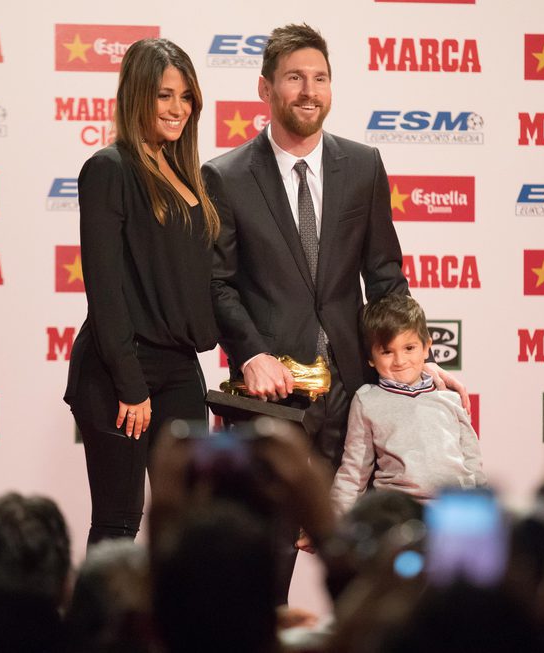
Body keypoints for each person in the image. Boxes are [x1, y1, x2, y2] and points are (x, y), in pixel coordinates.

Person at [202, 23, 467, 474]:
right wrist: (250, 355)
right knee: (275, 540)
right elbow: (217, 283)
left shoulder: (363, 166)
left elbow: (384, 276)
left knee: (352, 539)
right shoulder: (226, 177)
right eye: (294, 77)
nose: (309, 91)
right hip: (272, 393)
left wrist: (417, 358)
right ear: (265, 87)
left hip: (355, 390)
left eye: (320, 78)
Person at [63, 38, 220, 546]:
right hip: (119, 371)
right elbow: (104, 290)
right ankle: (100, 628)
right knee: (118, 521)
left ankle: (178, 627)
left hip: (179, 369)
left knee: (190, 525)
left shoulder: (186, 173)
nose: (178, 108)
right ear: (136, 97)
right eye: (163, 96)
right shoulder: (109, 169)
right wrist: (131, 384)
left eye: (186, 96)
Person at [329, 294, 485, 516]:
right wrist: (333, 523)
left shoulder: (449, 397)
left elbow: (473, 462)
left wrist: (482, 511)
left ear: (427, 347)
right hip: (399, 513)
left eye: (409, 348)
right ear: (371, 358)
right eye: (387, 352)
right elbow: (354, 472)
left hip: (454, 511)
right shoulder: (367, 400)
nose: (400, 361)